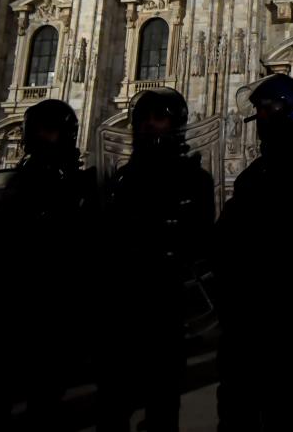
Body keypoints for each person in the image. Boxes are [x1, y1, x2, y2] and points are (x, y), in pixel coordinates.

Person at [214, 73, 293, 431]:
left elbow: (289, 242)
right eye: (259, 110)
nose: (262, 118)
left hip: (276, 313)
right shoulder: (267, 167)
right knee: (247, 406)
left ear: (290, 113)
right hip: (250, 311)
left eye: (269, 109)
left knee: (278, 406)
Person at [98, 87, 214, 432]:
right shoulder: (120, 178)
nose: (149, 125)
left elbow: (201, 239)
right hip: (121, 305)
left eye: (159, 118)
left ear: (175, 123)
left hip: (168, 304)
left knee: (162, 404)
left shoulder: (194, 179)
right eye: (143, 119)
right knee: (112, 403)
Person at [0, 99, 99, 431]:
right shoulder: (17, 179)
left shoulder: (79, 183)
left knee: (41, 398)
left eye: (46, 130)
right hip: (9, 303)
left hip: (52, 307)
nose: (37, 138)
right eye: (34, 131)